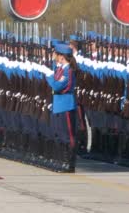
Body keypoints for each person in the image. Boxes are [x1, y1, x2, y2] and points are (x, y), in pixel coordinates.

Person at [46, 43, 78, 173]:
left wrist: (48, 76)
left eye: (56, 54)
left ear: (62, 56)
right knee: (58, 133)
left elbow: (58, 86)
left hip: (66, 105)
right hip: (58, 104)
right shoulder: (60, 69)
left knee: (67, 135)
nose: (54, 56)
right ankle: (61, 160)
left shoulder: (68, 70)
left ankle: (69, 163)